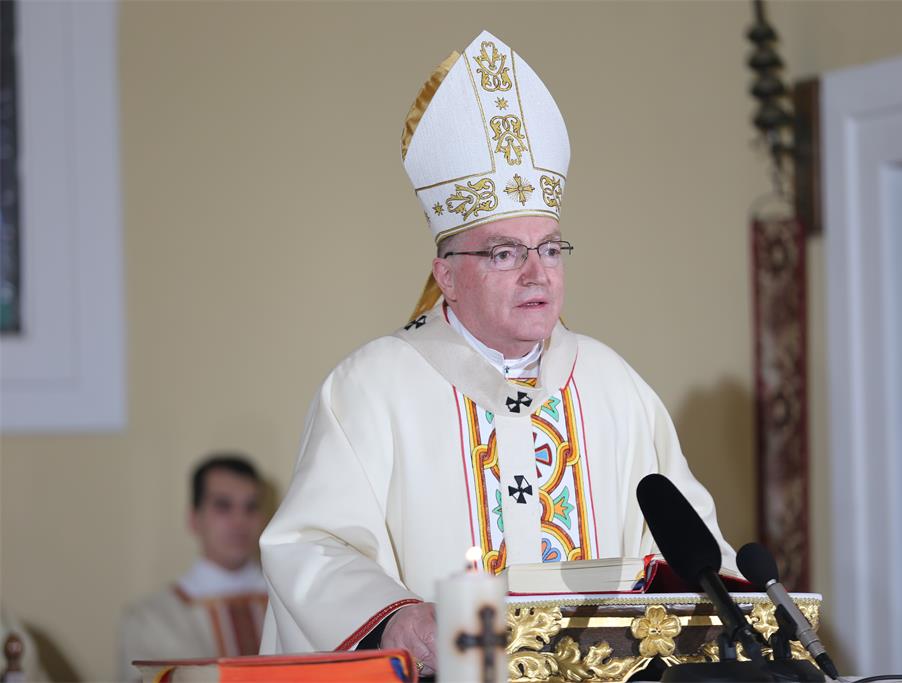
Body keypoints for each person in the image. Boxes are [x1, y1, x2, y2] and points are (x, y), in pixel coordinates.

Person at [259, 30, 737, 676]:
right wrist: (397, 617)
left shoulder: (614, 387)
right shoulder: (372, 388)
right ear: (447, 275)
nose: (538, 273)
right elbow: (310, 546)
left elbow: (697, 558)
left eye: (550, 248)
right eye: (506, 252)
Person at [118, 454, 268, 681]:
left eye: (251, 507)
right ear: (193, 518)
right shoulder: (149, 620)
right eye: (223, 506)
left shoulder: (288, 604)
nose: (240, 520)